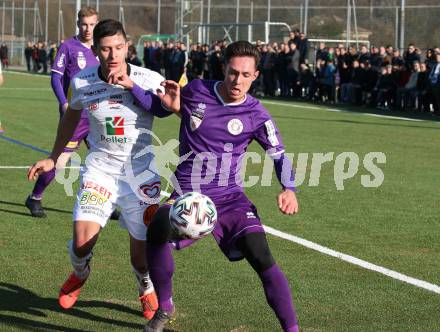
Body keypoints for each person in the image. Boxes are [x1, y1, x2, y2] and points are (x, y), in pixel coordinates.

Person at [142, 41, 299, 332]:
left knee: (261, 255)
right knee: (157, 227)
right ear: (224, 69)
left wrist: (289, 187)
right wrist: (171, 104)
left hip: (230, 198)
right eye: (232, 72)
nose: (237, 80)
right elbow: (171, 108)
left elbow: (279, 155)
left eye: (245, 74)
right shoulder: (198, 89)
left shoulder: (257, 114)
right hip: (188, 192)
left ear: (255, 75)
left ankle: (292, 329)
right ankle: (164, 307)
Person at [27, 19, 178, 320]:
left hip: (141, 176)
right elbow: (70, 119)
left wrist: (176, 104)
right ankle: (80, 272)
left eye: (119, 48)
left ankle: (145, 285)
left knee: (141, 256)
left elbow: (170, 109)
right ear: (95, 50)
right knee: (82, 244)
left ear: (127, 46)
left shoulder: (148, 78)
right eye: (106, 49)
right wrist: (53, 157)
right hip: (100, 171)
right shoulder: (82, 81)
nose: (113, 55)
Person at [25, 7, 110, 218]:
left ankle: (106, 202)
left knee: (106, 158)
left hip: (99, 115)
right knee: (60, 161)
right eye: (84, 24)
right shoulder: (68, 46)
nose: (88, 29)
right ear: (78, 24)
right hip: (76, 116)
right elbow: (55, 77)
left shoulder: (101, 47)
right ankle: (34, 197)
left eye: (92, 24)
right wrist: (64, 103)